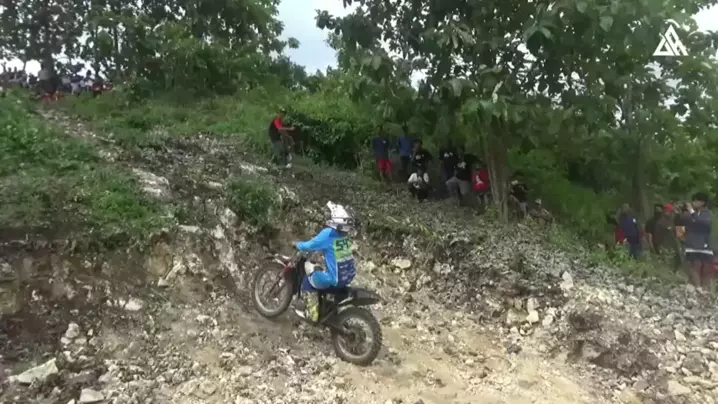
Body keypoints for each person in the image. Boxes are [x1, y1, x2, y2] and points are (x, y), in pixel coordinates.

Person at [293, 201, 356, 322]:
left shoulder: (328, 234)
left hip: (335, 280)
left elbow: (310, 245)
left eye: (331, 215)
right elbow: (331, 250)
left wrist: (298, 245)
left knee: (308, 278)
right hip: (347, 277)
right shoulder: (345, 236)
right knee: (320, 270)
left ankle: (312, 314)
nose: (328, 216)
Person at [679, 193, 713, 289]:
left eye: (696, 200)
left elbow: (702, 222)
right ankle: (698, 288)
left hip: (704, 244)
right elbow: (682, 220)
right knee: (694, 265)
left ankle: (705, 288)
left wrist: (691, 211)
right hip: (691, 243)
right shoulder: (691, 214)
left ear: (702, 202)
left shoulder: (707, 214)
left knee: (706, 268)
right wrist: (683, 210)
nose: (694, 202)